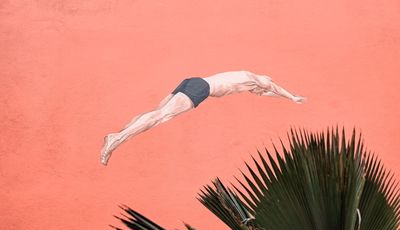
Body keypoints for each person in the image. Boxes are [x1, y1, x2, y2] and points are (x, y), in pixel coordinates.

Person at [100, 70, 306, 165]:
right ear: (264, 80)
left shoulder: (245, 82)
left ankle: (120, 134)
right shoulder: (256, 78)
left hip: (194, 81)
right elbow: (272, 88)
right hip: (202, 88)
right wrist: (292, 97)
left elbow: (268, 93)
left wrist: (283, 99)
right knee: (161, 116)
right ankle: (116, 139)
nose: (263, 90)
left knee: (156, 112)